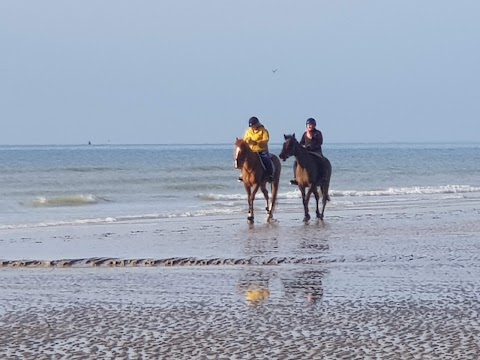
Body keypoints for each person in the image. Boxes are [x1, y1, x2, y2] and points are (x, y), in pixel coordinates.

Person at [290, 117, 323, 185]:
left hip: (316, 152)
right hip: (307, 152)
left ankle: (323, 177)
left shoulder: (317, 133)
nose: (309, 126)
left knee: (320, 161)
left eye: (311, 124)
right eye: (308, 124)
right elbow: (301, 142)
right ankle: (296, 178)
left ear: (314, 125)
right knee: (296, 162)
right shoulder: (305, 134)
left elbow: (320, 142)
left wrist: (312, 145)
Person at [239, 116, 273, 182]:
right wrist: (247, 140)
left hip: (261, 150)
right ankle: (242, 174)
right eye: (251, 126)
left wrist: (257, 142)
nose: (252, 127)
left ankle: (269, 175)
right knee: (243, 160)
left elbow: (266, 139)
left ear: (257, 124)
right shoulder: (248, 131)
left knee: (266, 160)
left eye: (253, 125)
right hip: (251, 150)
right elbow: (245, 139)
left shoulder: (263, 131)